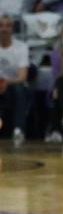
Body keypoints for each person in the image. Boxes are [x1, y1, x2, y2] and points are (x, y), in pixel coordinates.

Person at [0, 13, 30, 145]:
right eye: (1, 26)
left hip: (13, 85)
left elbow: (22, 77)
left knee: (19, 89)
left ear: (12, 29)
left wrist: (6, 82)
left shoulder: (21, 47)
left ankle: (19, 129)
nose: (4, 29)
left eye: (8, 26)